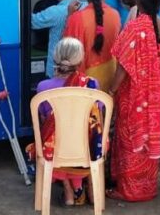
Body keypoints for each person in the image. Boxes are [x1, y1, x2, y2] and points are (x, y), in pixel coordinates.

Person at [106, 0, 160, 202]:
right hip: (155, 90)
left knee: (131, 135)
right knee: (149, 134)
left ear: (140, 1)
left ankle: (129, 190)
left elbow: (123, 65)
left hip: (135, 92)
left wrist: (111, 89)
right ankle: (147, 187)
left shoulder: (134, 27)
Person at [25, 37, 104, 207]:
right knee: (90, 134)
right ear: (80, 61)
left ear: (55, 59)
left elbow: (44, 123)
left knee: (51, 137)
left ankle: (68, 189)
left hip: (55, 150)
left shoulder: (43, 87)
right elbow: (98, 119)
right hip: (87, 148)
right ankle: (84, 188)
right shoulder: (92, 84)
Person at [63, 0, 121, 91]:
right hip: (111, 76)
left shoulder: (76, 18)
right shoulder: (115, 15)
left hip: (87, 83)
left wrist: (69, 16)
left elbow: (66, 50)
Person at [31, 0, 81, 78]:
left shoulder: (55, 11)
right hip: (79, 69)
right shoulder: (86, 8)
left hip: (57, 72)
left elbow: (31, 22)